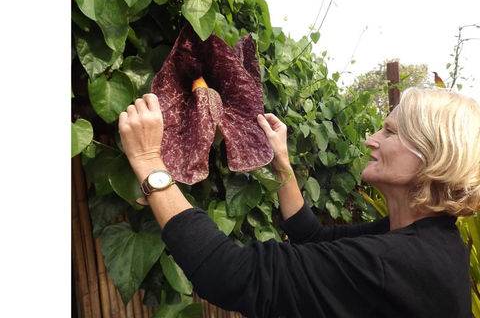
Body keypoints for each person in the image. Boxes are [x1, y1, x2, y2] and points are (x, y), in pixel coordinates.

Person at [118, 87, 480, 318]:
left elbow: (227, 273)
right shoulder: (425, 237)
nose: (371, 139)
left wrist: (150, 160)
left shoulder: (396, 262)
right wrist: (282, 161)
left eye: (389, 132)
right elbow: (312, 237)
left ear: (431, 155)